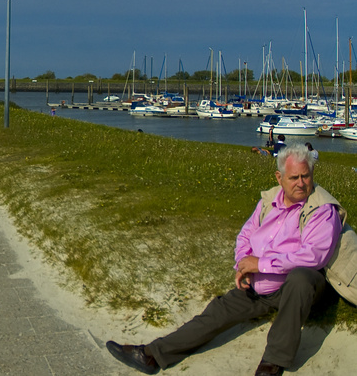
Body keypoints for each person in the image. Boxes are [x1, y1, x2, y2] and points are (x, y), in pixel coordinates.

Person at [106, 149, 338, 376]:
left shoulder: (321, 209)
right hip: (257, 286)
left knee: (300, 279)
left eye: (305, 176)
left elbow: (314, 255)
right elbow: (245, 235)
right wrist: (243, 264)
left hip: (299, 286)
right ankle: (152, 355)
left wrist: (260, 264)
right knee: (217, 311)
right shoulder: (269, 200)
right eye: (294, 177)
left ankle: (273, 362)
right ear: (279, 177)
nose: (301, 183)